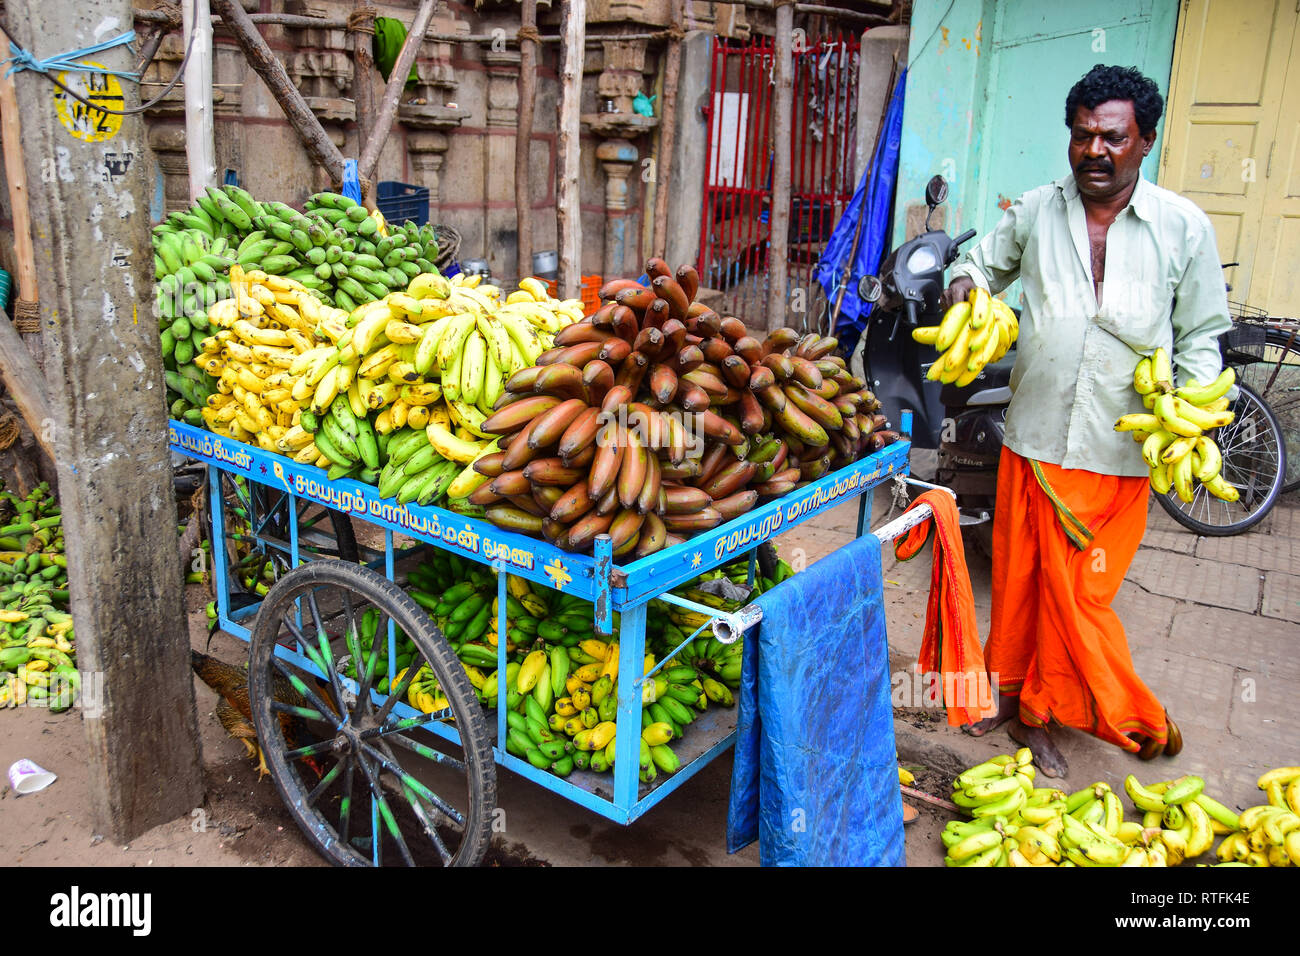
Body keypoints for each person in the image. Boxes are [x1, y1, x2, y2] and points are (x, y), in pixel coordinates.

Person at [942, 64, 1231, 777]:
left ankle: (1071, 713)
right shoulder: (1037, 211)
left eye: (1112, 137)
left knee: (1079, 597)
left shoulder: (1182, 227)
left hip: (1120, 450)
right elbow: (979, 265)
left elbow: (1199, 336)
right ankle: (1010, 699)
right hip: (1036, 438)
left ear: (1145, 141)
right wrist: (962, 291)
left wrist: (1187, 414)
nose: (1094, 151)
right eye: (1082, 136)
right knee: (1017, 583)